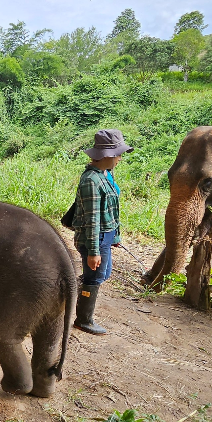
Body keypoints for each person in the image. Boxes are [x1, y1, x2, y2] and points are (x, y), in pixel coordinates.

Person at [70, 129, 131, 335]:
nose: (120, 158)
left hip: (105, 236)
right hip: (94, 238)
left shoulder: (105, 175)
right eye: (118, 154)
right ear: (107, 155)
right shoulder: (91, 181)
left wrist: (116, 236)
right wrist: (93, 251)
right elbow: (92, 218)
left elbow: (112, 210)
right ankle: (83, 319)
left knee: (102, 273)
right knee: (94, 278)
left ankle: (76, 291)